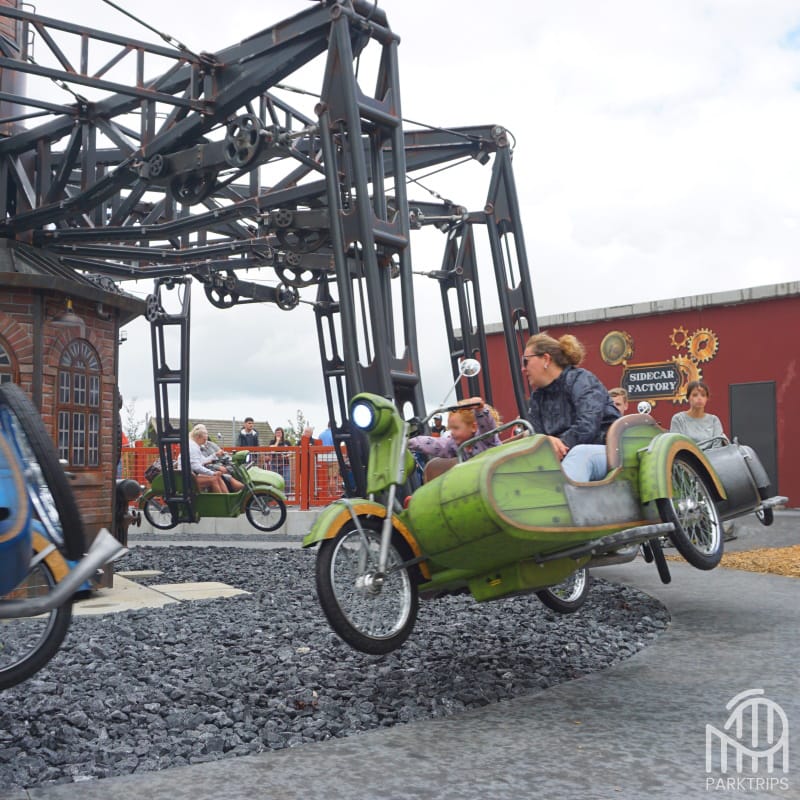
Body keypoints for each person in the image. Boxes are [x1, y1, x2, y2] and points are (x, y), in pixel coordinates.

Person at [523, 332, 620, 482]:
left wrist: (560, 444)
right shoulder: (537, 397)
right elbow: (536, 434)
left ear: (546, 359)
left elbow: (588, 425)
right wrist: (546, 441)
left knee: (581, 455)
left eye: (526, 361)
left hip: (608, 449)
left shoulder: (581, 379)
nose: (523, 369)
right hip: (563, 456)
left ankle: (562, 497)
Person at [409, 398, 501, 461]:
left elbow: (488, 428)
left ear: (473, 427)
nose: (451, 432)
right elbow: (436, 444)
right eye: (450, 428)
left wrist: (480, 410)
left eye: (456, 428)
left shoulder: (486, 439)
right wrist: (410, 442)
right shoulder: (455, 445)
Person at [670, 381, 725, 448]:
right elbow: (677, 445)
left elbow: (718, 446)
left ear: (707, 398)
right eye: (695, 395)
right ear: (688, 397)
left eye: (703, 395)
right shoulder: (678, 419)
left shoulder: (714, 420)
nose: (699, 398)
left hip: (712, 454)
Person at [188, 424, 230, 492]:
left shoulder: (195, 446)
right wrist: (212, 473)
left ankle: (226, 497)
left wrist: (215, 455)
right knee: (214, 479)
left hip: (193, 475)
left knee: (217, 477)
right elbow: (196, 467)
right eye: (204, 439)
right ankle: (220, 498)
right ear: (198, 437)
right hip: (188, 477)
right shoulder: (193, 447)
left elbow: (203, 460)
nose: (205, 442)